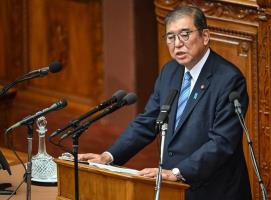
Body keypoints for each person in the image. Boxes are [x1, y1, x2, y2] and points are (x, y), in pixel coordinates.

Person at [79, 5, 251, 200]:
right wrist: (108, 157)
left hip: (214, 190)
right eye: (170, 37)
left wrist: (177, 172)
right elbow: (148, 121)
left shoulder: (229, 79)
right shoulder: (170, 72)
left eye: (185, 35)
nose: (177, 44)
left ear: (205, 36)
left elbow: (222, 143)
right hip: (172, 189)